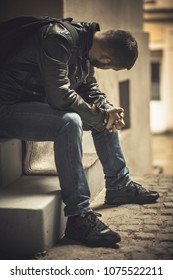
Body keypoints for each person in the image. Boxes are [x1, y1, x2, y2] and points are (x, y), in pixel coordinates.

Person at [0, 16, 159, 248]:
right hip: (8, 107)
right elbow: (60, 96)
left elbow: (89, 88)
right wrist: (102, 116)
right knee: (70, 121)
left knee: (102, 113)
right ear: (105, 59)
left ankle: (119, 186)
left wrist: (108, 110)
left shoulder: (86, 44)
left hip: (33, 104)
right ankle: (79, 218)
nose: (106, 68)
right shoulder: (57, 38)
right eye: (112, 66)